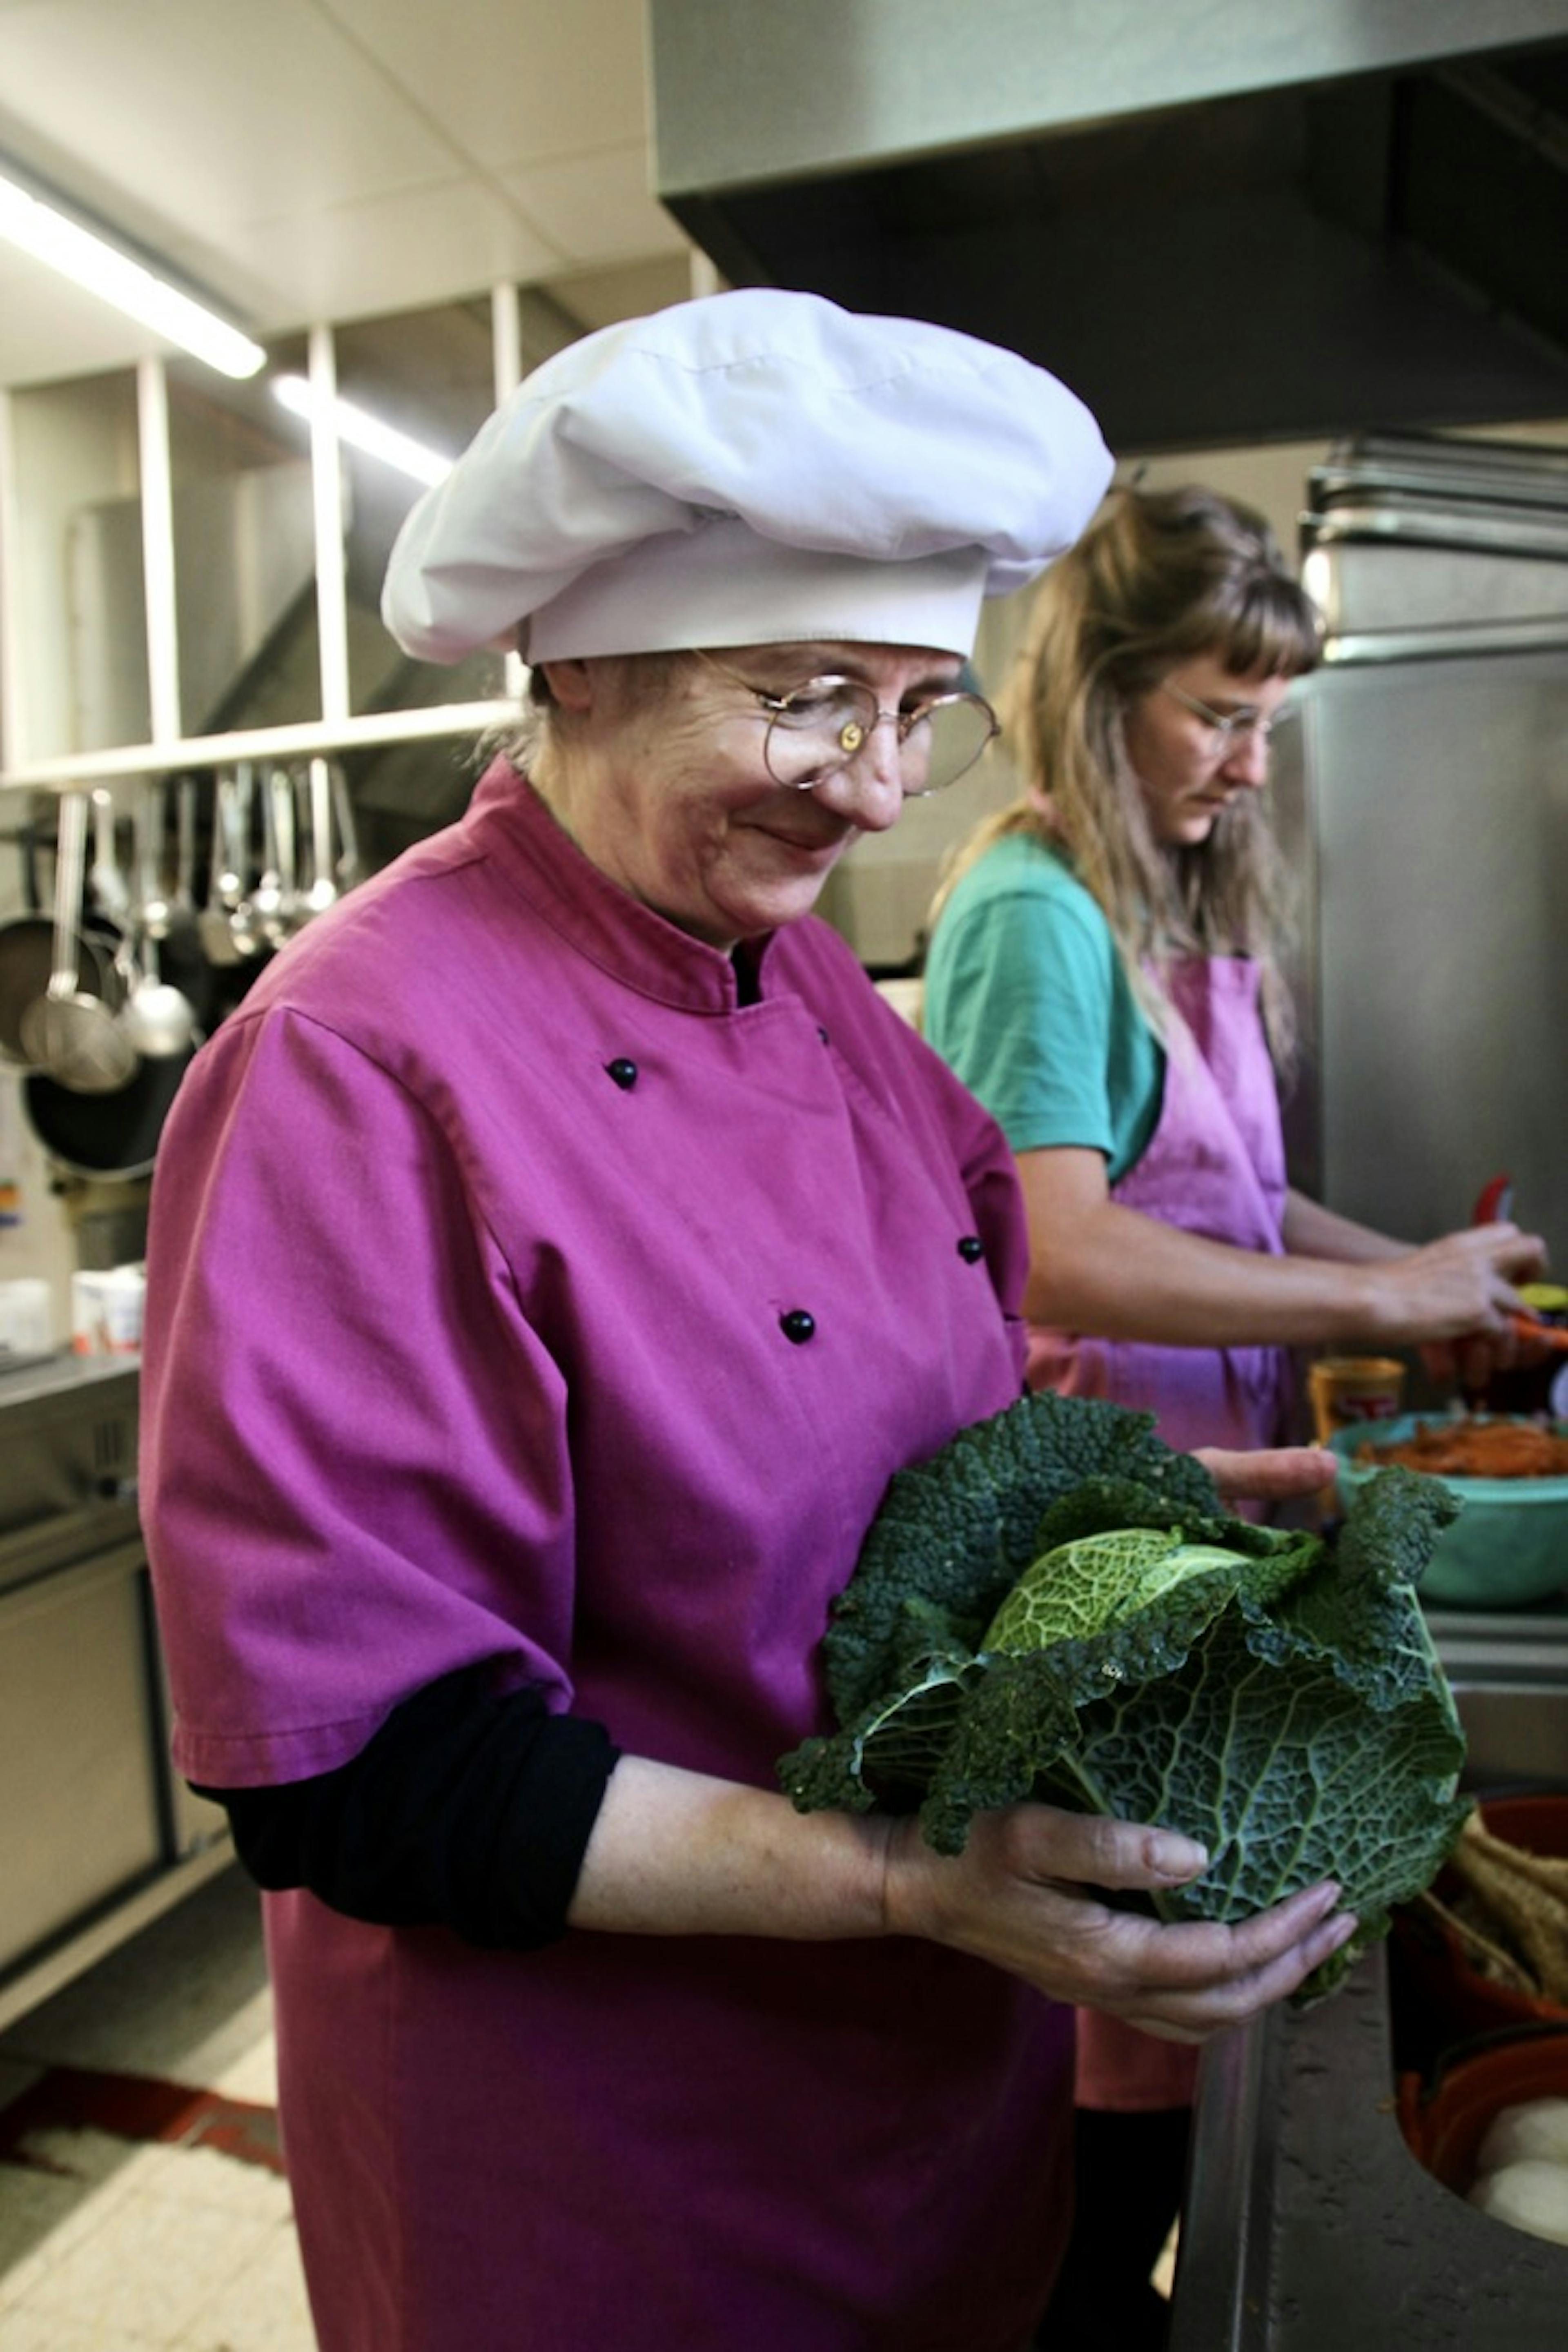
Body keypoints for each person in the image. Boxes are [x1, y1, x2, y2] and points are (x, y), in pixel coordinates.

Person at [139, 300, 1359, 2352]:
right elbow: (358, 1767)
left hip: (937, 2114)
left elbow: (922, 1433)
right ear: (585, 664)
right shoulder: (354, 1063)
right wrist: (899, 1878)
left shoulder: (798, 987)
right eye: (808, 703)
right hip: (608, 2184)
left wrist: (1163, 1505)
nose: (877, 794)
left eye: (916, 710)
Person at [920, 481, 1547, 2349]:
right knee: (1111, 2084)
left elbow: (1232, 1217)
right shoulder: (1035, 916)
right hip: (1106, 1572)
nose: (1253, 764)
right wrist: (1377, 1301)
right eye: (1220, 714)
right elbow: (1058, 1251)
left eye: (1268, 720)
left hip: (1208, 1553)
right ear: (1096, 695)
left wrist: (1430, 1270)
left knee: (1185, 2036)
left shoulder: (1153, 913)